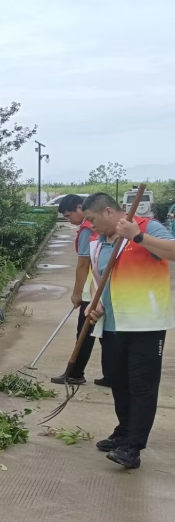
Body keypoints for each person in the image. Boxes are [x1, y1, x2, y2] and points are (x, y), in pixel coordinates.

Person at [82, 193, 175, 469]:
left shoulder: (147, 227)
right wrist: (95, 303)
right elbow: (96, 279)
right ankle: (123, 430)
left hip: (145, 325)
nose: (90, 225)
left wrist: (138, 237)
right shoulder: (98, 242)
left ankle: (133, 446)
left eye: (92, 219)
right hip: (112, 325)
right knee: (119, 383)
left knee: (142, 386)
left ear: (108, 212)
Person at [50, 194, 109, 387]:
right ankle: (112, 374)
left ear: (79, 208)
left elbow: (83, 265)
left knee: (84, 332)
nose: (69, 220)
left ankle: (75, 373)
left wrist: (77, 294)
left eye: (69, 215)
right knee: (106, 333)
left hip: (92, 289)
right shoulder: (96, 227)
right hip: (105, 285)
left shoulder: (87, 229)